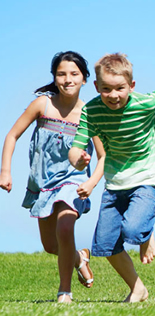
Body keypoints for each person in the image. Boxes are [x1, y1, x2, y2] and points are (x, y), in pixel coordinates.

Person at [68, 53, 155, 303]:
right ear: (96, 87)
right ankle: (138, 289)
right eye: (106, 89)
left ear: (131, 86)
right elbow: (76, 147)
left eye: (120, 89)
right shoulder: (91, 111)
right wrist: (78, 159)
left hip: (150, 175)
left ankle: (145, 231)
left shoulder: (144, 102)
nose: (113, 95)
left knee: (133, 229)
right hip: (116, 182)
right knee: (105, 244)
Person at [0, 51, 104, 303]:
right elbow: (12, 135)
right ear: (55, 78)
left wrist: (91, 182)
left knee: (65, 227)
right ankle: (79, 258)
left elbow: (103, 156)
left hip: (74, 180)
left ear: (85, 78)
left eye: (74, 74)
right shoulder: (42, 105)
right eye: (61, 74)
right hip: (43, 182)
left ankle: (64, 292)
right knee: (51, 246)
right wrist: (5, 170)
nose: (68, 79)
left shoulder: (91, 113)